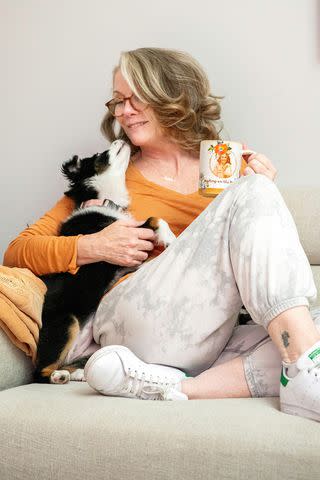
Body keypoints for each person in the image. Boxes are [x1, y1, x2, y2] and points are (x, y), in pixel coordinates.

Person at [4, 48, 320, 421]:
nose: (122, 111)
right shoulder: (108, 176)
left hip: (208, 332)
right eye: (117, 101)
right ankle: (306, 364)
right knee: (256, 195)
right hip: (134, 318)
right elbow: (17, 251)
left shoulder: (223, 171)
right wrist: (94, 244)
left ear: (171, 95)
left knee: (260, 201)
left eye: (134, 98)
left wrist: (259, 192)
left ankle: (170, 386)